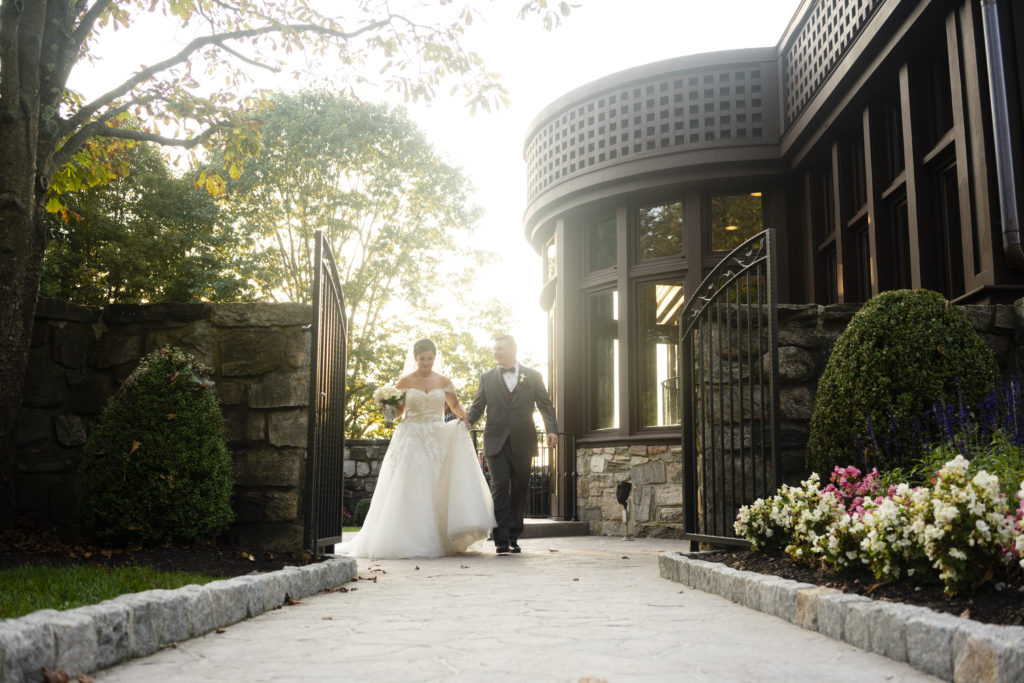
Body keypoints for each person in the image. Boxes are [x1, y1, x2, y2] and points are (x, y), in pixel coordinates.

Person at [339, 338, 495, 559]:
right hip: (411, 436)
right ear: (415, 358)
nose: (426, 363)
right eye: (422, 359)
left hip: (437, 437)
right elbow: (399, 412)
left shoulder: (443, 381)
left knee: (437, 486)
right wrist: (388, 409)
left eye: (430, 359)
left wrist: (465, 416)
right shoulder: (405, 381)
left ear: (434, 357)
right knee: (414, 485)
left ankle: (441, 537)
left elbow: (454, 405)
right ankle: (410, 538)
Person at [465, 334, 558, 554]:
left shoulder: (533, 376)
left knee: (519, 488)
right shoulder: (486, 377)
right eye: (494, 348)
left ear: (512, 350)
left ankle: (515, 535)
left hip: (523, 440)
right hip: (495, 441)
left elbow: (545, 405)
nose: (495, 352)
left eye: (499, 348)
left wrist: (551, 429)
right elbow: (478, 407)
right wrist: (467, 420)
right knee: (499, 487)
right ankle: (501, 539)